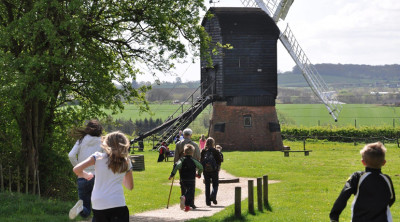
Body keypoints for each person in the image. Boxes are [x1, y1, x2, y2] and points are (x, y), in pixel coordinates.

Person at [73, 131, 134, 222]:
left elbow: (76, 169)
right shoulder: (126, 162)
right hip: (117, 203)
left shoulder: (97, 157)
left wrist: (85, 175)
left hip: (99, 204)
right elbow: (130, 186)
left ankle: (81, 209)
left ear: (107, 144)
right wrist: (119, 177)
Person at [329, 142, 395, 222]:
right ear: (384, 162)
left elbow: (344, 195)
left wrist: (334, 215)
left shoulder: (357, 177)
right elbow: (391, 199)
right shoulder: (387, 179)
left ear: (363, 162)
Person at [68, 119, 103, 220]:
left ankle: (80, 208)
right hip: (97, 177)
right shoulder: (102, 141)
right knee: (99, 208)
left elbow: (71, 155)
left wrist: (79, 169)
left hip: (82, 177)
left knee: (86, 211)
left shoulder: (81, 140)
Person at [169, 144, 203, 212]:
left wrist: (172, 175)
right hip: (191, 179)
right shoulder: (194, 160)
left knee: (184, 190)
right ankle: (186, 202)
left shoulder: (182, 160)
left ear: (184, 153)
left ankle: (186, 206)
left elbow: (176, 166)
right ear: (192, 153)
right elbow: (201, 167)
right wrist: (199, 174)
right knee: (190, 192)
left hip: (183, 178)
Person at [200, 137, 222, 206]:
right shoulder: (215, 151)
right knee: (215, 184)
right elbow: (220, 160)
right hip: (214, 170)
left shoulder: (203, 151)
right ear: (213, 143)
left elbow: (201, 160)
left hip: (206, 171)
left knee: (207, 185)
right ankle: (213, 195)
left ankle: (207, 202)